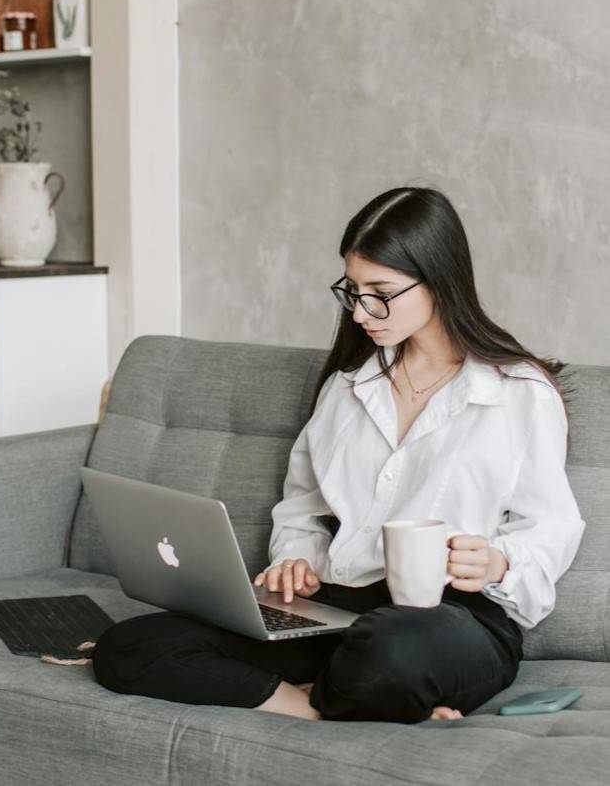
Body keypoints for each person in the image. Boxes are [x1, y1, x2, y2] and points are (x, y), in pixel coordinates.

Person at [90, 186, 586, 723]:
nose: (360, 312)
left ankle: (363, 689)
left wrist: (498, 561)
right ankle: (312, 705)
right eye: (352, 290)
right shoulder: (349, 387)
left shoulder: (517, 392)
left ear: (439, 279)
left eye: (381, 291)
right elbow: (303, 509)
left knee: (389, 650)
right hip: (337, 607)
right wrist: (293, 561)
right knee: (129, 646)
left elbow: (550, 527)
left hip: (451, 617)